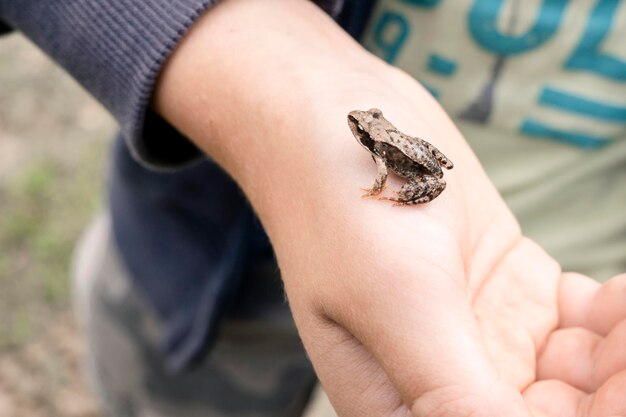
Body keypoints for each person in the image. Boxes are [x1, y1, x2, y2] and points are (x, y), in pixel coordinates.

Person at [2, 0, 625, 416]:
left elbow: (394, 167)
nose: (359, 130)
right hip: (213, 289)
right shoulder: (366, 130)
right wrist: (285, 78)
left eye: (362, 128)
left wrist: (385, 190)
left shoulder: (380, 148)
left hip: (536, 294)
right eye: (364, 128)